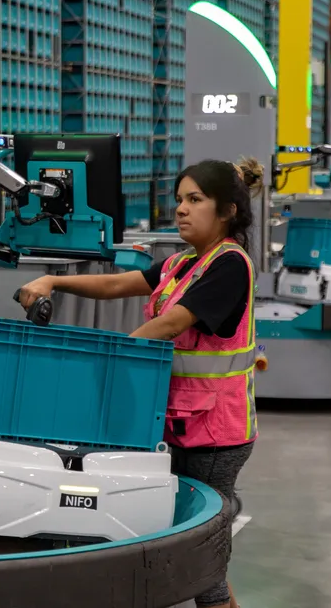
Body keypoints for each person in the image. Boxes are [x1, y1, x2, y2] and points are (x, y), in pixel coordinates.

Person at [16, 158, 263, 608]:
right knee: (182, 538)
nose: (182, 210)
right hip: (178, 421)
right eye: (179, 201)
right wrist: (54, 279)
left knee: (201, 556)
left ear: (227, 211)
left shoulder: (230, 265)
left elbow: (171, 323)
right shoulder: (184, 262)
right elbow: (117, 284)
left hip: (214, 433)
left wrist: (112, 357)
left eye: (195, 200)